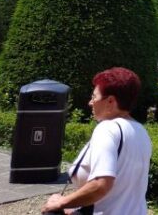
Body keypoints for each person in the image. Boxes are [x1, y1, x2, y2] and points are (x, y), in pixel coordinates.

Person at [42, 67, 152, 215]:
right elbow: (119, 193)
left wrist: (61, 202)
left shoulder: (107, 129)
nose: (90, 102)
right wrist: (75, 208)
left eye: (94, 97)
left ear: (110, 101)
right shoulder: (140, 131)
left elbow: (101, 185)